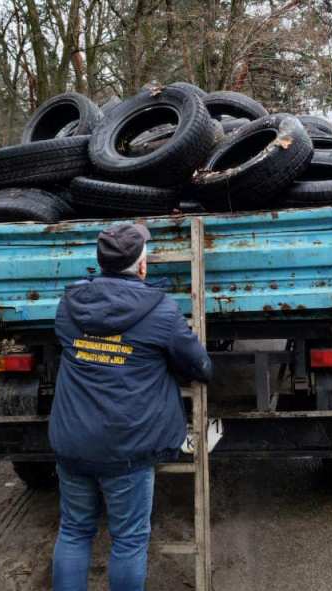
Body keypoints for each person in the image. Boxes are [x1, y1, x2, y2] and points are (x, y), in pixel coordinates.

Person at [51, 222, 211, 591]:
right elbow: (199, 365)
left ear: (101, 263)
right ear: (142, 266)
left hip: (72, 441)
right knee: (128, 539)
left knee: (74, 531)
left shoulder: (68, 306)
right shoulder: (161, 311)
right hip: (128, 446)